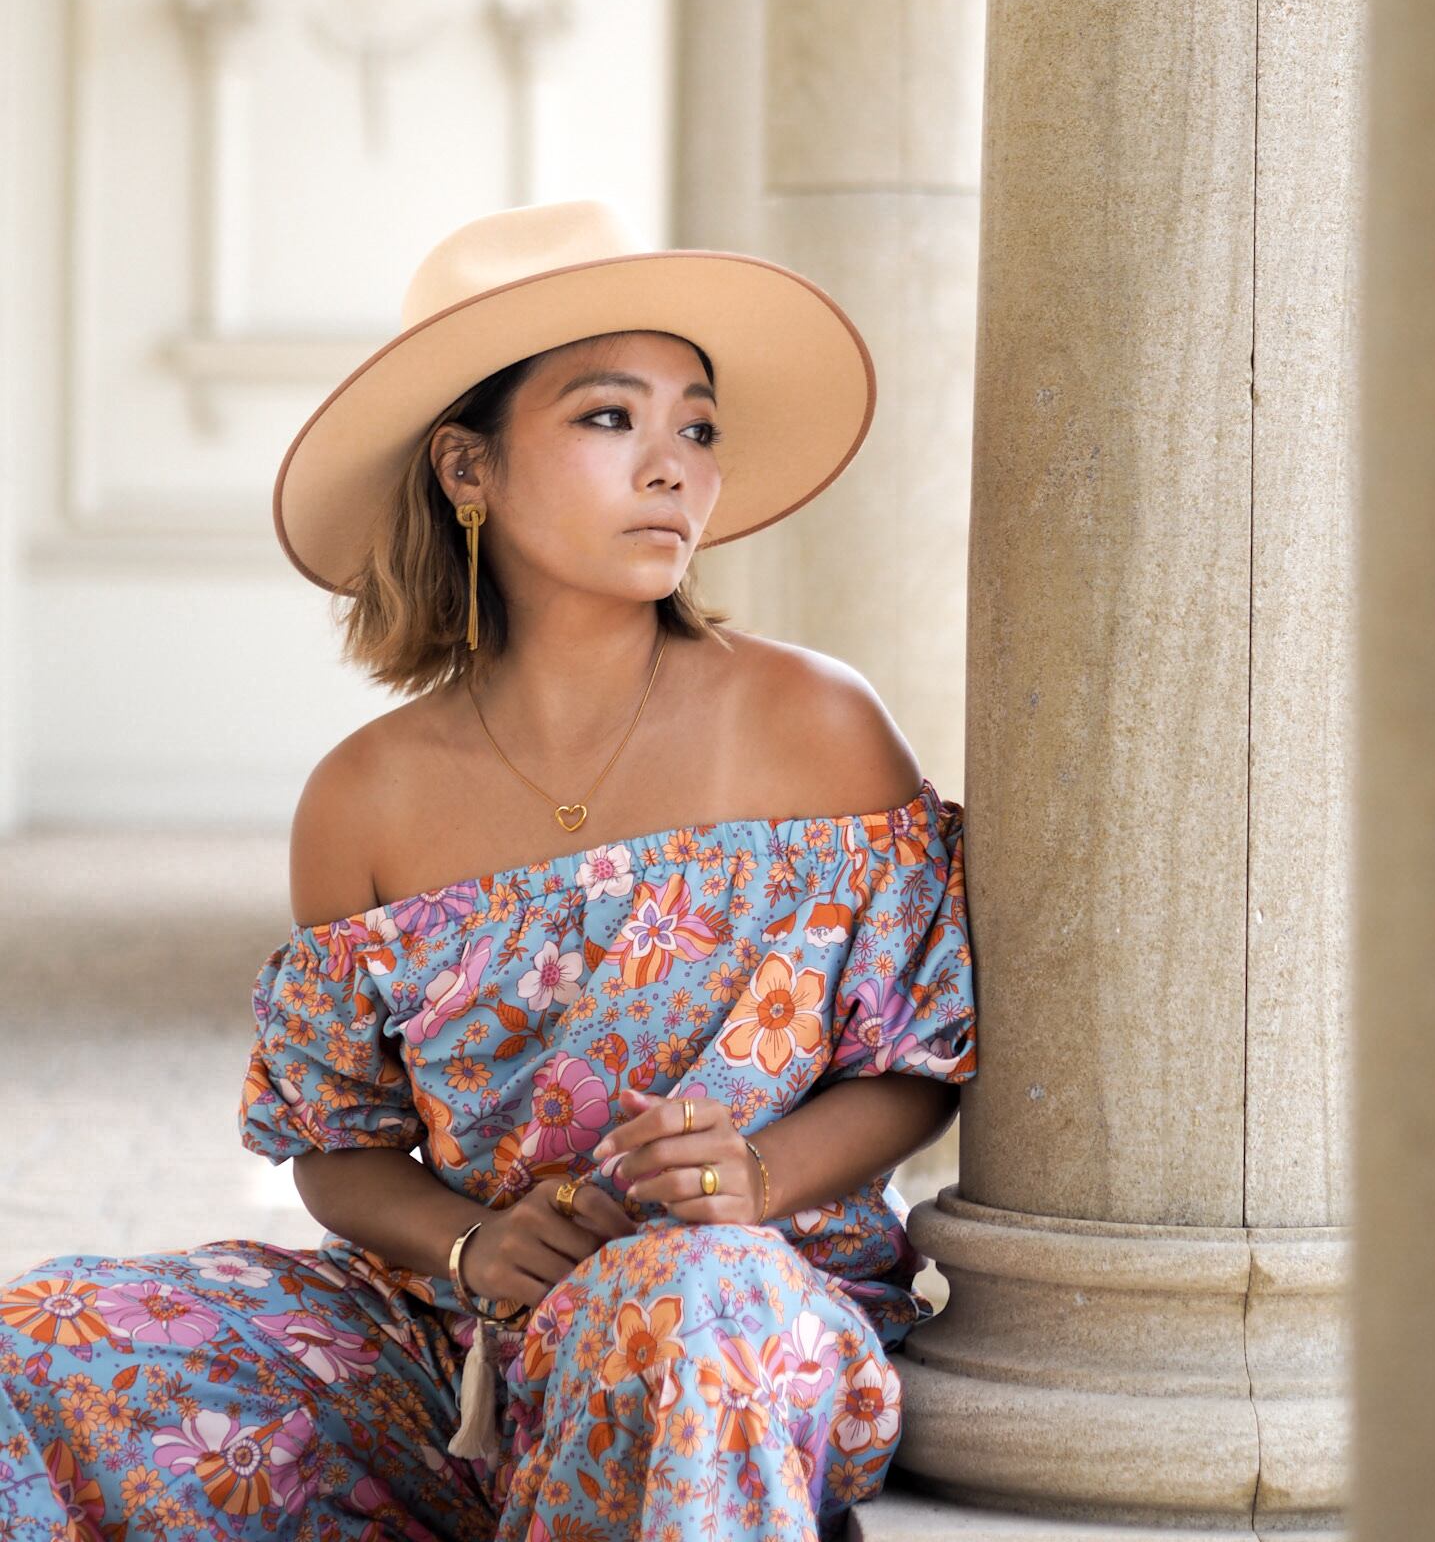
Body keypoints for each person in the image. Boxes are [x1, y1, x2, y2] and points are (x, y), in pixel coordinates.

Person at [0, 199, 979, 1541]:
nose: (674, 467)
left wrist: (755, 1176)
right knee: (41, 1339)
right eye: (610, 417)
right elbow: (340, 1154)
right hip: (444, 1345)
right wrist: (468, 1246)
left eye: (698, 427)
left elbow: (919, 1063)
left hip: (739, 1316)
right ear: (469, 468)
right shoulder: (364, 797)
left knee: (687, 1310)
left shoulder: (815, 723)